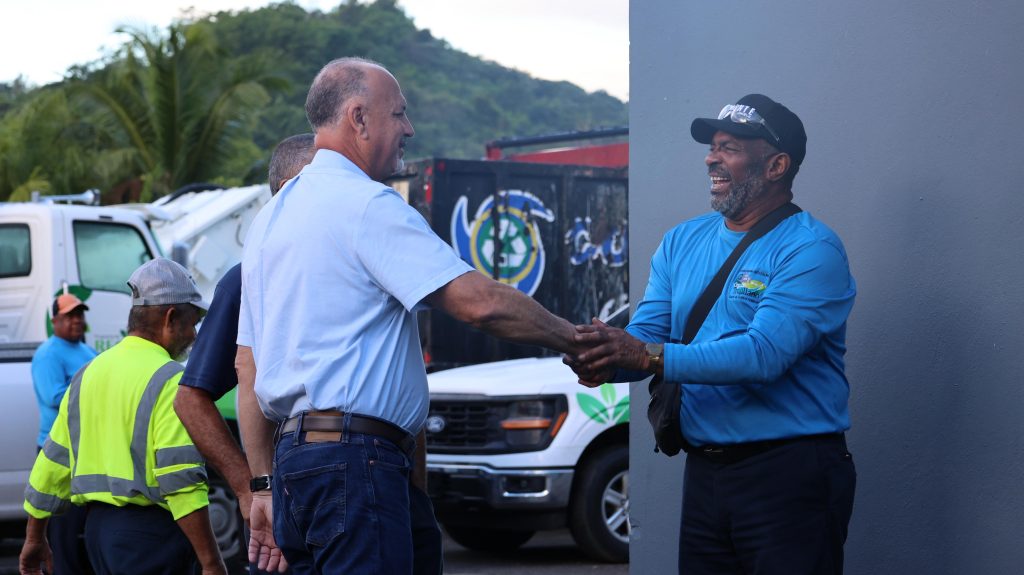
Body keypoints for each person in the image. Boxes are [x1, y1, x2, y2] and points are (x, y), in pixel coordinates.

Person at [236, 57, 586, 574]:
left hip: (296, 467)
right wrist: (577, 340)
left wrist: (264, 485)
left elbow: (247, 366)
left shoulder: (268, 222)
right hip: (355, 465)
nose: (410, 128)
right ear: (358, 118)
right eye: (399, 113)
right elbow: (481, 304)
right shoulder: (365, 204)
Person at [566, 94, 857, 574]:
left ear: (777, 165)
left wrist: (646, 356)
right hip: (707, 473)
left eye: (730, 148)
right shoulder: (682, 240)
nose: (711, 159)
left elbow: (763, 355)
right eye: (712, 147)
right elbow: (647, 333)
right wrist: (601, 356)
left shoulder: (812, 249)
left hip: (789, 474)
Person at [20, 258, 226, 575]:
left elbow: (52, 463)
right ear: (170, 318)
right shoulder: (170, 380)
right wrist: (212, 562)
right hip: (151, 538)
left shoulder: (87, 374)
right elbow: (180, 479)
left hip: (97, 535)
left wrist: (35, 536)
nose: (194, 335)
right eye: (192, 322)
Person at [173, 132, 312, 574]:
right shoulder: (248, 277)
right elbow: (190, 399)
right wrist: (252, 488)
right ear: (288, 189)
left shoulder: (355, 265)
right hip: (293, 502)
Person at [29, 293, 98, 574]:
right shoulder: (48, 354)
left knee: (84, 528)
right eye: (70, 316)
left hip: (86, 451)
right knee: (63, 532)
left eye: (79, 314)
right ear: (55, 320)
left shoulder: (87, 351)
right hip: (59, 452)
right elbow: (54, 396)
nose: (77, 320)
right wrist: (92, 390)